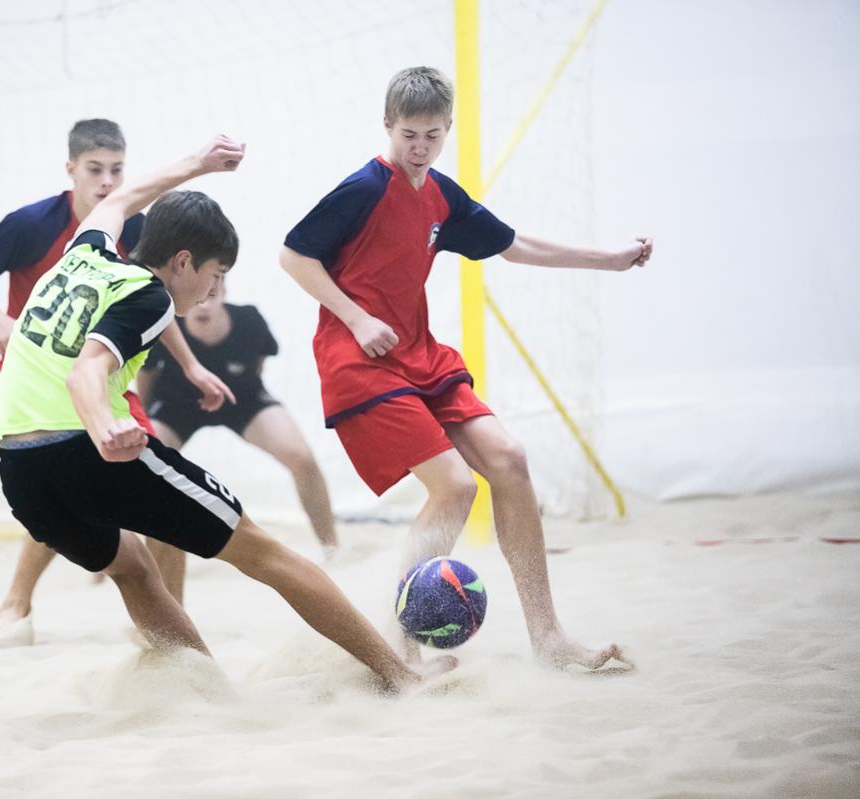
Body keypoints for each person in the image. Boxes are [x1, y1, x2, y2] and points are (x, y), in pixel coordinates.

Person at [0, 133, 453, 691]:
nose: (212, 291)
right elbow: (85, 372)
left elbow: (124, 198)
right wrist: (105, 428)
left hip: (18, 468)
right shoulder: (150, 296)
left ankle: (199, 691)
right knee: (265, 552)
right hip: (84, 450)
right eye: (214, 275)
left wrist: (200, 164)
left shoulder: (83, 252)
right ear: (183, 262)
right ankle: (401, 675)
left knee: (133, 568)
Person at [278, 67, 650, 671]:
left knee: (509, 459)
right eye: (408, 135)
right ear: (387, 125)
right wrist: (357, 318)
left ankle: (549, 638)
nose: (419, 148)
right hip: (359, 359)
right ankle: (400, 652)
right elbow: (293, 256)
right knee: (455, 485)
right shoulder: (363, 189)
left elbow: (515, 245)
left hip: (419, 356)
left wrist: (608, 259)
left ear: (447, 128)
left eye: (432, 135)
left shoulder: (441, 196)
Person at [0, 118, 232, 648]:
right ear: (70, 169)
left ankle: (170, 623)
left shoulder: (134, 230)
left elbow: (154, 300)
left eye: (117, 170)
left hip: (107, 375)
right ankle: (17, 601)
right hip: (42, 379)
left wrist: (191, 365)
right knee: (63, 482)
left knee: (160, 482)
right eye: (95, 169)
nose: (107, 181)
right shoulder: (34, 224)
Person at [135, 286, 339, 604]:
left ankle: (331, 547)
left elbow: (257, 365)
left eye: (212, 295)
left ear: (224, 290)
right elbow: (145, 378)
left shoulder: (249, 321)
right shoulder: (166, 327)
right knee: (136, 467)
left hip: (239, 398)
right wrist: (143, 421)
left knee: (301, 457)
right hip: (177, 405)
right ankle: (116, 555)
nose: (204, 305)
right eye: (199, 297)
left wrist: (245, 393)